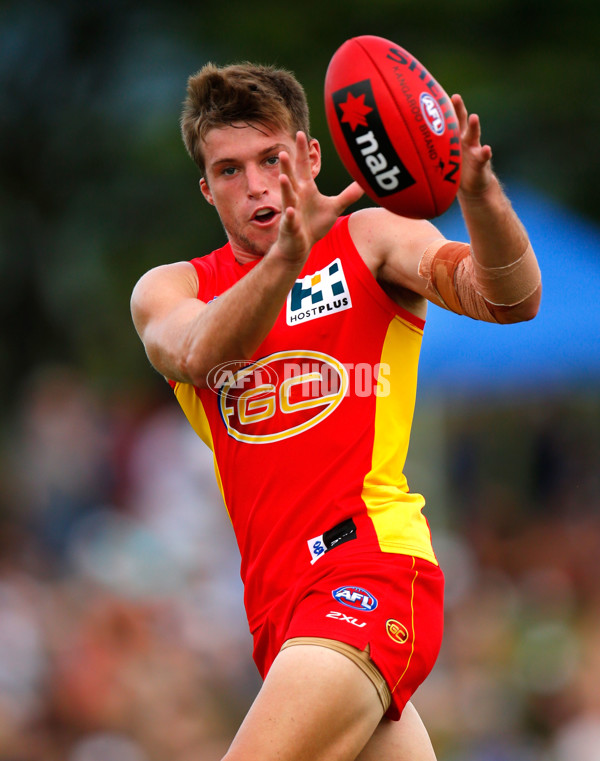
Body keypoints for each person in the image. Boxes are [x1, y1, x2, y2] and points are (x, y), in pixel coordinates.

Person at [130, 61, 541, 761]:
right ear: (206, 189)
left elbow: (509, 298)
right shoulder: (171, 289)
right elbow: (197, 351)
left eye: (271, 158)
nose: (256, 185)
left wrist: (483, 198)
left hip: (372, 571)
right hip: (280, 611)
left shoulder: (374, 238)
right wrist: (284, 261)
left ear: (311, 156)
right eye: (229, 171)